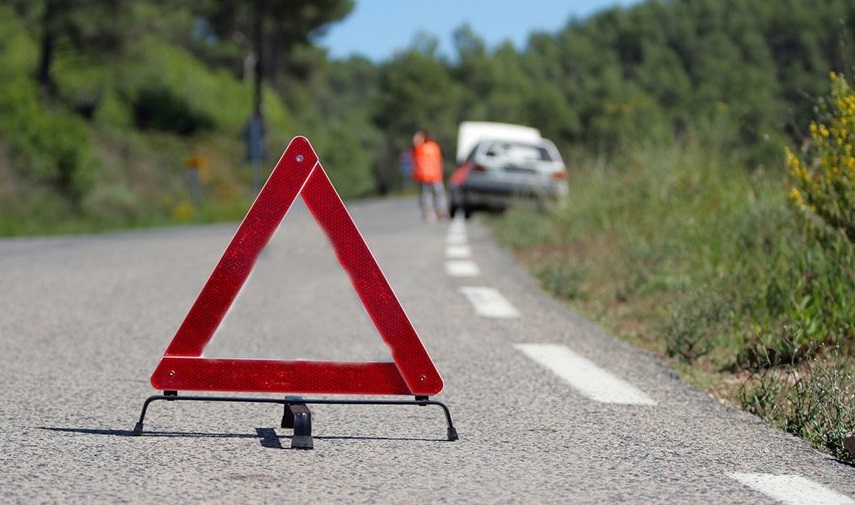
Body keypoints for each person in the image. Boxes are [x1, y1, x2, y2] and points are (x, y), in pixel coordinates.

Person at [411, 130, 448, 221]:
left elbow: (415, 142)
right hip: (435, 175)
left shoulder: (420, 148)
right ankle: (441, 211)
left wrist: (418, 136)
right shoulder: (435, 147)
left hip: (425, 175)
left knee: (427, 195)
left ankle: (429, 212)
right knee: (438, 194)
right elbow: (440, 161)